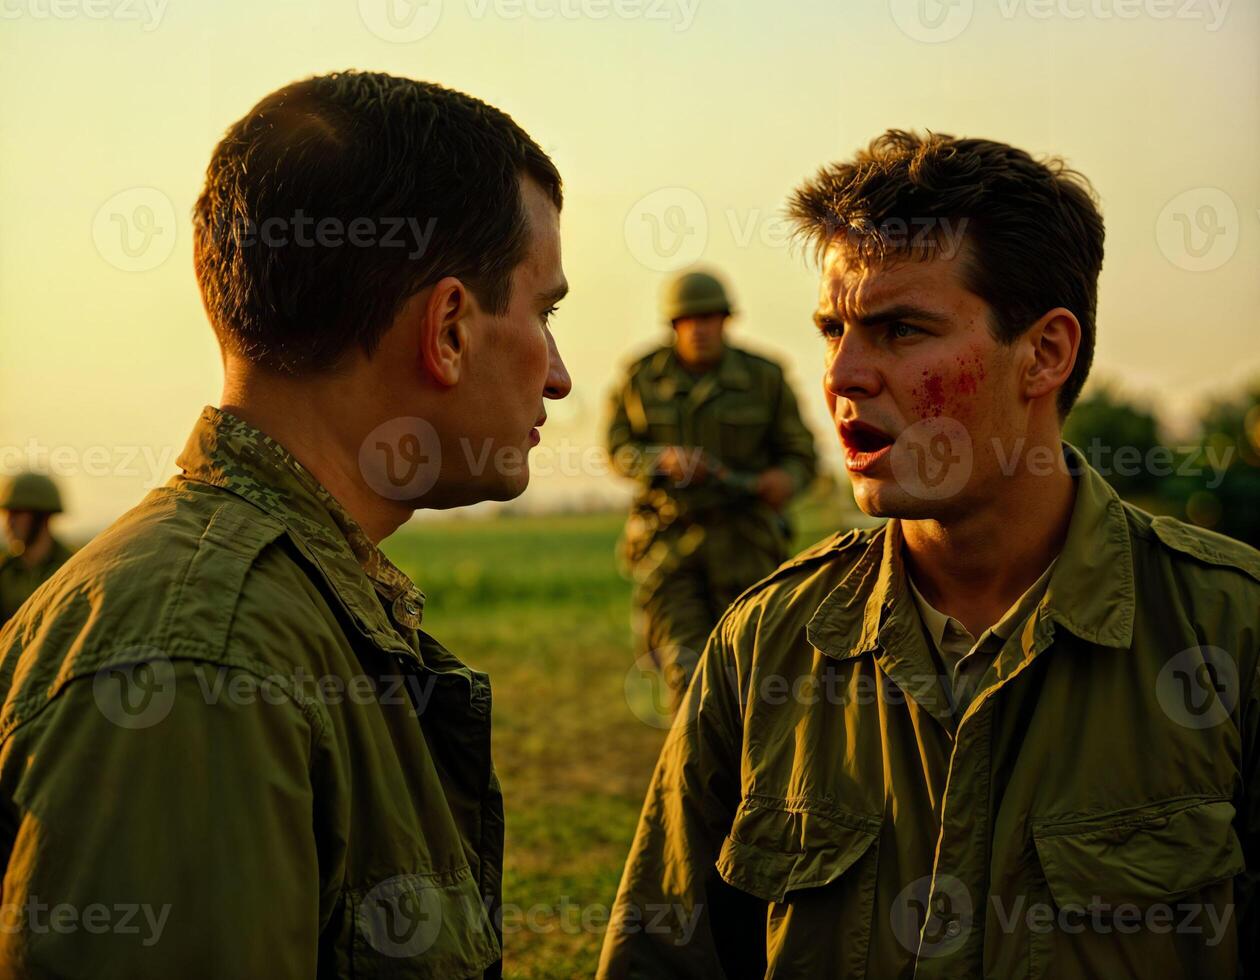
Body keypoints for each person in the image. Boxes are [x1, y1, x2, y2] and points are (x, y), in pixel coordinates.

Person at [599, 132, 1259, 978]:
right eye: (833, 329)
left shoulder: (1228, 631)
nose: (842, 375)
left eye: (901, 329)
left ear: (1046, 353)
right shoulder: (765, 645)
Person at [0, 71, 571, 977]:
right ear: (450, 328)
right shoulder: (202, 655)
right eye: (545, 312)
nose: (559, 375)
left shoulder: (281, 609)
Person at [606, 269, 817, 713]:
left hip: (747, 546)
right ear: (674, 326)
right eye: (689, 320)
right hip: (670, 547)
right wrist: (659, 460)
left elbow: (802, 454)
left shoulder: (765, 377)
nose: (700, 329)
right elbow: (617, 448)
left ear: (726, 321)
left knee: (757, 677)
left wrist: (785, 480)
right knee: (689, 677)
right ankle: (695, 777)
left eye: (710, 319)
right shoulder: (641, 378)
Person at [0, 472, 73, 627]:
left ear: (42, 516)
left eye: (18, 513)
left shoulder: (72, 569)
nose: (9, 522)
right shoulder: (4, 570)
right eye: (7, 513)